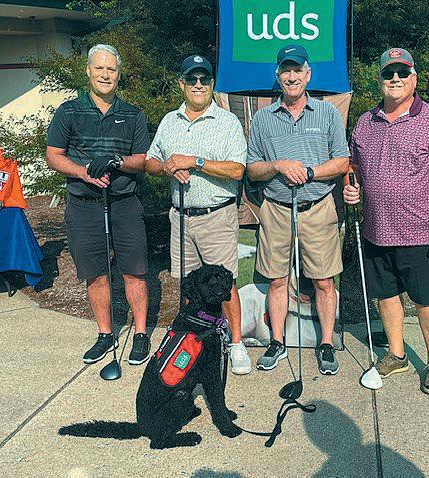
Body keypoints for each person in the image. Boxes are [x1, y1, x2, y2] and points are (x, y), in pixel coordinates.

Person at [343, 48, 429, 395]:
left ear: (414, 79)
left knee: (427, 299)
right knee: (385, 295)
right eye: (388, 73)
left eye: (402, 73)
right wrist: (352, 186)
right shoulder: (365, 123)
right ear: (380, 80)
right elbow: (353, 165)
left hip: (421, 232)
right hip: (377, 230)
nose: (395, 79)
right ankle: (397, 355)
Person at [145, 55, 251, 375]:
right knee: (189, 286)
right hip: (180, 217)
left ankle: (235, 343)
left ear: (212, 84)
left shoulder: (227, 122)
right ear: (182, 84)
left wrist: (195, 162)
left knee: (224, 284)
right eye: (192, 79)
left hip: (216, 216)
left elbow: (237, 169)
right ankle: (196, 340)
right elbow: (151, 161)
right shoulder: (169, 121)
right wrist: (167, 166)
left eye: (204, 79)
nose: (198, 85)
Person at [247, 44, 349, 375]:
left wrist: (309, 171)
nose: (292, 77)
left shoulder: (327, 113)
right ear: (278, 76)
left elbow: (342, 161)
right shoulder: (263, 118)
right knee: (277, 280)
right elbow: (252, 169)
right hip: (276, 209)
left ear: (308, 75)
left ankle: (326, 343)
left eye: (297, 70)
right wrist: (277, 165)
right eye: (286, 71)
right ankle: (277, 342)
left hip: (317, 208)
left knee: (323, 281)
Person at [46, 44, 151, 365]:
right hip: (84, 206)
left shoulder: (132, 114)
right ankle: (105, 334)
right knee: (96, 274)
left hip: (124, 204)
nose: (105, 75)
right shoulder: (68, 112)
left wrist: (117, 160)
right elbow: (53, 156)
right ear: (88, 71)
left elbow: (143, 159)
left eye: (111, 69)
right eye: (99, 68)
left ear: (119, 74)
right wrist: (84, 172)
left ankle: (140, 334)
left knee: (135, 272)